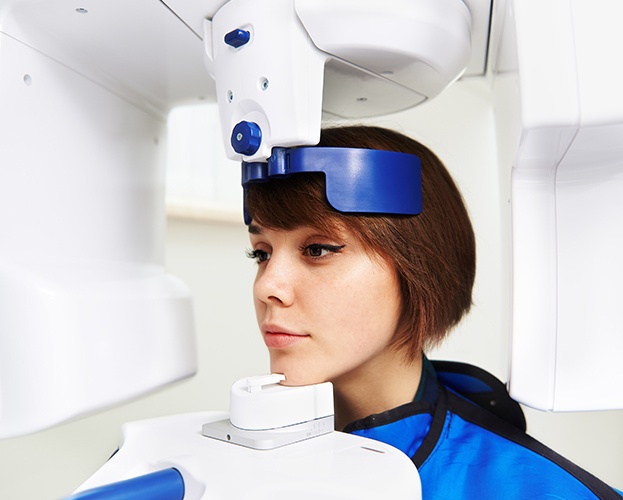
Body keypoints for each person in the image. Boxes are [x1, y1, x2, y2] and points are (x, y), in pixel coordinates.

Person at [243, 125, 621, 499]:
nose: (266, 287)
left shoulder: (542, 491)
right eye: (262, 253)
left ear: (418, 266)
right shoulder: (238, 464)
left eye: (318, 249)